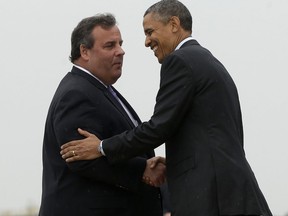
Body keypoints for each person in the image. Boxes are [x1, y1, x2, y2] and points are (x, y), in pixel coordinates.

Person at [60, 1, 273, 216]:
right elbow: (209, 136)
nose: (146, 42)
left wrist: (102, 147)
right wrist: (177, 162)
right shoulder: (208, 61)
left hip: (214, 198)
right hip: (232, 195)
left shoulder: (180, 61)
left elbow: (158, 128)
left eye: (150, 31)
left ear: (173, 24)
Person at [39, 13, 166, 216]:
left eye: (120, 44)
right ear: (84, 51)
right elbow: (80, 158)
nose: (121, 51)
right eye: (110, 46)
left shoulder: (100, 90)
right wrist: (142, 170)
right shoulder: (76, 94)